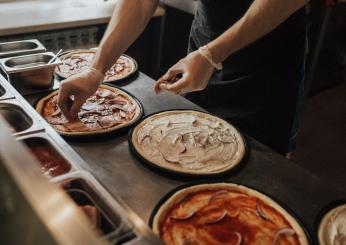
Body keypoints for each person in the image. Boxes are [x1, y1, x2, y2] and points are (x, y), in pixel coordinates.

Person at [58, 0, 309, 155]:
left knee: (260, 162)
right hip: (206, 41)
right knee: (193, 146)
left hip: (267, 60)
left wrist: (213, 53)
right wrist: (96, 69)